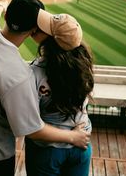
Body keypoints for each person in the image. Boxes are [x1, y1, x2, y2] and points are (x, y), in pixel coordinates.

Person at [0, 0, 90, 175]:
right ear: (32, 31)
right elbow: (32, 128)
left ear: (6, 17)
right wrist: (73, 137)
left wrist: (0, 4)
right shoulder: (18, 75)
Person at [25, 10, 94, 176]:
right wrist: (74, 137)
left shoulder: (34, 72)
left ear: (52, 41)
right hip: (81, 145)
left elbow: (30, 126)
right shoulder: (83, 66)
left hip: (47, 151)